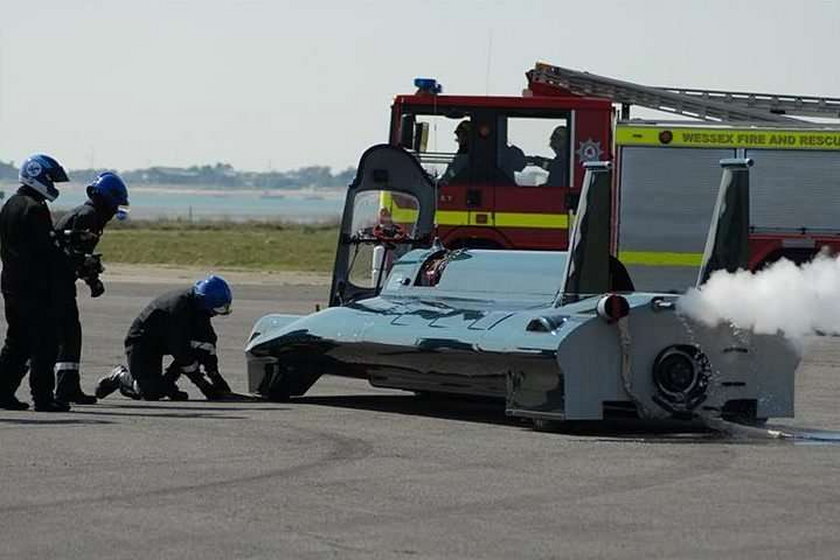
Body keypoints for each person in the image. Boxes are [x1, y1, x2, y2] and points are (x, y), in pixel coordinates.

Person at [0, 154, 72, 412]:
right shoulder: (34, 207)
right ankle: (43, 397)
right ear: (37, 175)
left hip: (11, 283)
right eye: (51, 179)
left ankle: (3, 392)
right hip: (34, 287)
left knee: (17, 340)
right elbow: (46, 251)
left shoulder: (10, 204)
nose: (53, 184)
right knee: (45, 341)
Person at [53, 172, 130, 404]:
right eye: (115, 202)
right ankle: (12, 383)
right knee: (56, 335)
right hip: (55, 284)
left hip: (59, 282)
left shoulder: (89, 214)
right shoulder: (88, 216)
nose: (116, 209)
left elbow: (78, 255)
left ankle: (67, 388)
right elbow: (76, 256)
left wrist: (90, 277)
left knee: (66, 335)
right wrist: (92, 278)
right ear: (106, 198)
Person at [94, 275, 234, 401]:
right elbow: (181, 351)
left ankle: (165, 385)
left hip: (163, 342)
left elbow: (208, 342)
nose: (215, 314)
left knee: (199, 347)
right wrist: (203, 385)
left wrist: (215, 376)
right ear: (204, 301)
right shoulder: (177, 309)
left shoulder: (199, 308)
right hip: (142, 343)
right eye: (216, 310)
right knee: (150, 392)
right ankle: (121, 377)